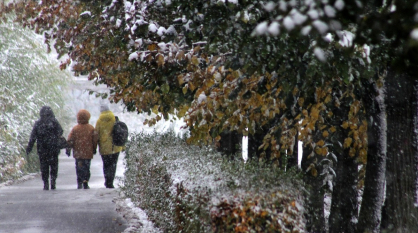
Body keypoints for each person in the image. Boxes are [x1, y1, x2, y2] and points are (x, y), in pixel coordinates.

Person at [26, 106, 64, 190]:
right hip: (53, 148)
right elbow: (60, 131)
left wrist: (29, 148)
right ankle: (53, 181)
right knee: (54, 166)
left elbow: (33, 137)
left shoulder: (38, 123)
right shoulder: (54, 122)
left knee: (44, 166)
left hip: (42, 149)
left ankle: (45, 183)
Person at [66, 109, 98, 189]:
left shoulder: (75, 129)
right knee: (87, 167)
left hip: (78, 153)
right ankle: (85, 180)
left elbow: (70, 139)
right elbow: (95, 139)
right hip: (88, 153)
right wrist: (94, 148)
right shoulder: (91, 128)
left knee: (79, 167)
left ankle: (79, 181)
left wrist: (69, 148)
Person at [95, 103, 123, 188]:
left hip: (104, 148)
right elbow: (121, 132)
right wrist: (123, 145)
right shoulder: (114, 119)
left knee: (106, 165)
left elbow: (96, 134)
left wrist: (94, 146)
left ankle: (107, 181)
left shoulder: (99, 121)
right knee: (113, 165)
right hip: (115, 147)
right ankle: (110, 182)